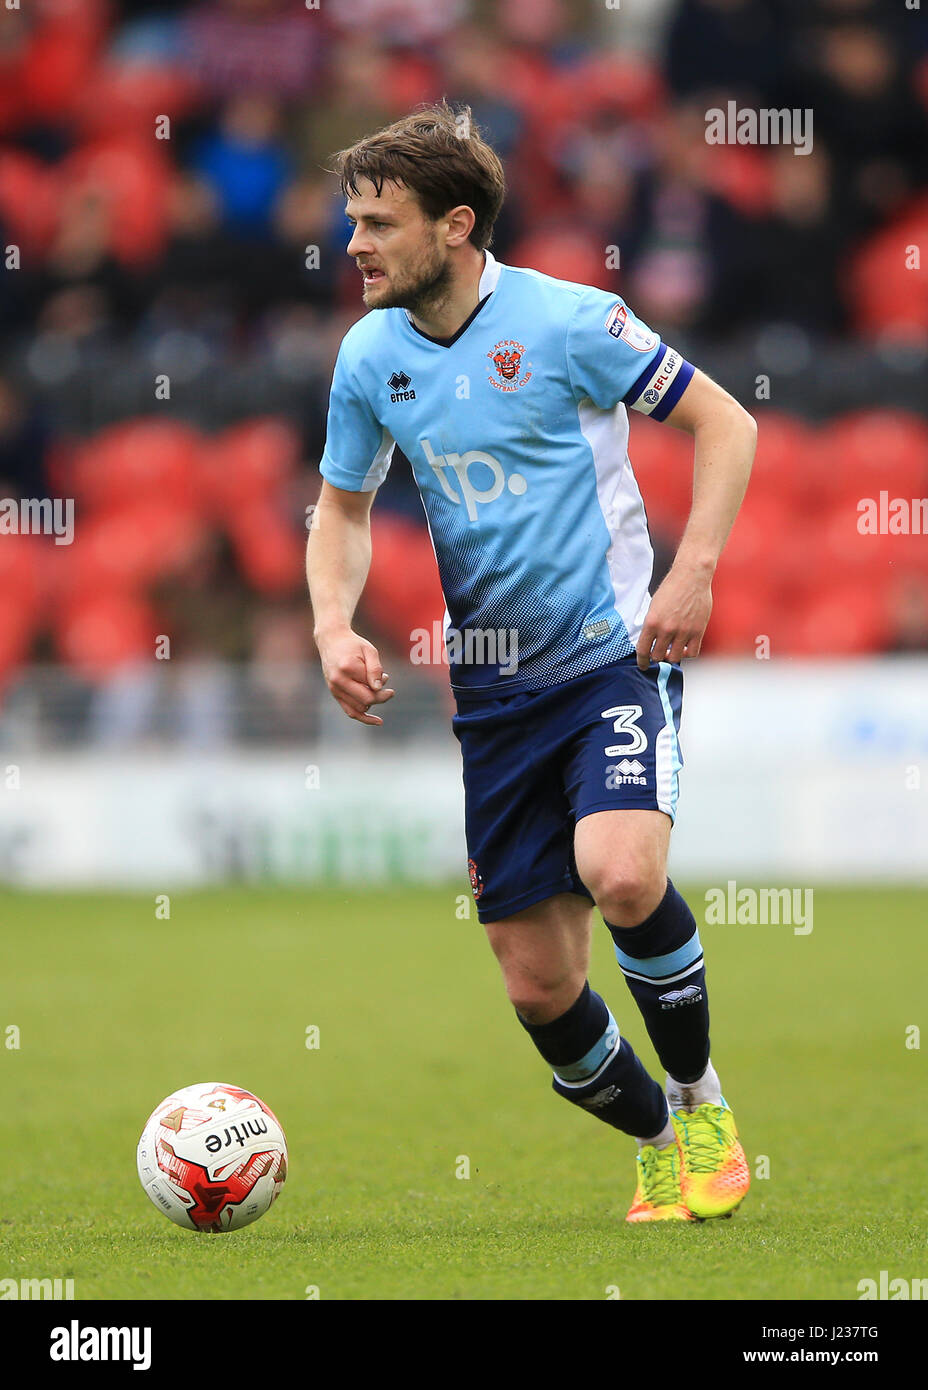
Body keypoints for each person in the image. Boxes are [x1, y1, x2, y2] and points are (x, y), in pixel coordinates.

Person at [307, 102, 756, 1222]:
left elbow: (726, 424)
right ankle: (656, 1136)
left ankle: (704, 1104)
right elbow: (342, 508)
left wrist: (691, 572)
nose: (352, 245)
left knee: (622, 873)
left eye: (376, 222)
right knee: (539, 988)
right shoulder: (368, 357)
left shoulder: (569, 321)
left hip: (607, 660)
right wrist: (331, 624)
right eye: (350, 221)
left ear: (455, 226)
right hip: (494, 699)